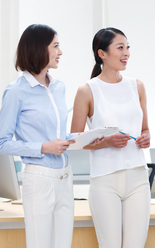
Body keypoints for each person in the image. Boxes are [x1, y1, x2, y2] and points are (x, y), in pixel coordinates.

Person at [0, 24, 80, 248]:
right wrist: (43, 147)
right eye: (56, 46)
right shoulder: (16, 91)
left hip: (65, 177)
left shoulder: (59, 87)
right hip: (39, 179)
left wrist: (86, 138)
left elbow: (58, 135)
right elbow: (2, 142)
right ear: (38, 48)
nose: (60, 52)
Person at [71, 27, 151, 247]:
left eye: (127, 47)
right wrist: (107, 141)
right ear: (102, 53)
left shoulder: (138, 86)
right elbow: (76, 140)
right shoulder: (87, 90)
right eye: (120, 48)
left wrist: (145, 138)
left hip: (138, 177)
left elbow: (145, 129)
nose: (126, 53)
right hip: (105, 180)